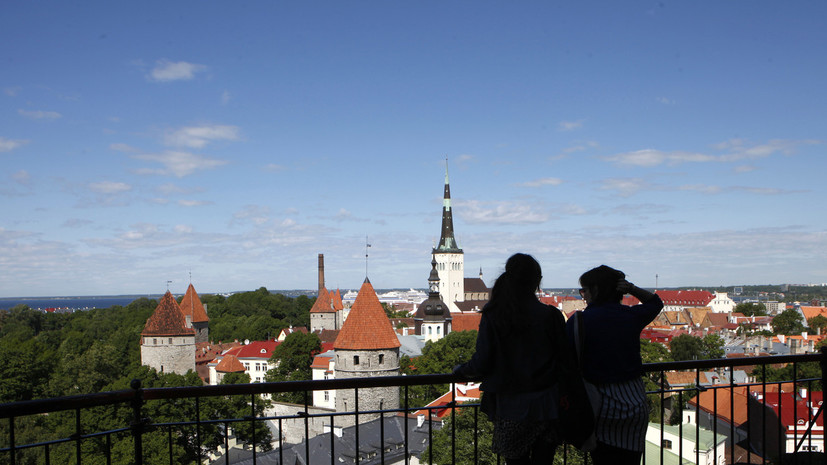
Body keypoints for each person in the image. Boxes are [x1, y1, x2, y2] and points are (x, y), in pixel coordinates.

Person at [454, 253, 564, 465]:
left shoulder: (496, 315)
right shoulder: (551, 316)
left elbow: (483, 360)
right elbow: (565, 361)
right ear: (537, 281)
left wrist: (461, 370)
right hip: (548, 406)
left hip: (512, 407)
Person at [566, 265, 663, 465]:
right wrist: (631, 288)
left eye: (584, 290)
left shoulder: (580, 321)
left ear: (595, 290)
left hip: (600, 405)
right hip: (634, 402)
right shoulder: (630, 315)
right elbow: (656, 303)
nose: (583, 295)